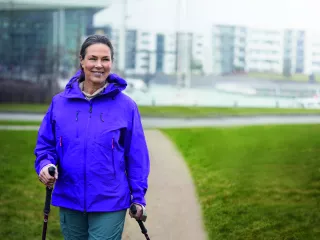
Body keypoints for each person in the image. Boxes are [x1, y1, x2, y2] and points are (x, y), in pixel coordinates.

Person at [34, 34, 150, 240]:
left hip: (110, 200)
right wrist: (45, 165)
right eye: (93, 58)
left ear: (111, 63)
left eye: (105, 59)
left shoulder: (126, 106)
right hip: (69, 198)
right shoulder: (59, 103)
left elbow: (136, 156)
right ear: (82, 61)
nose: (99, 65)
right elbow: (46, 146)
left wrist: (138, 198)